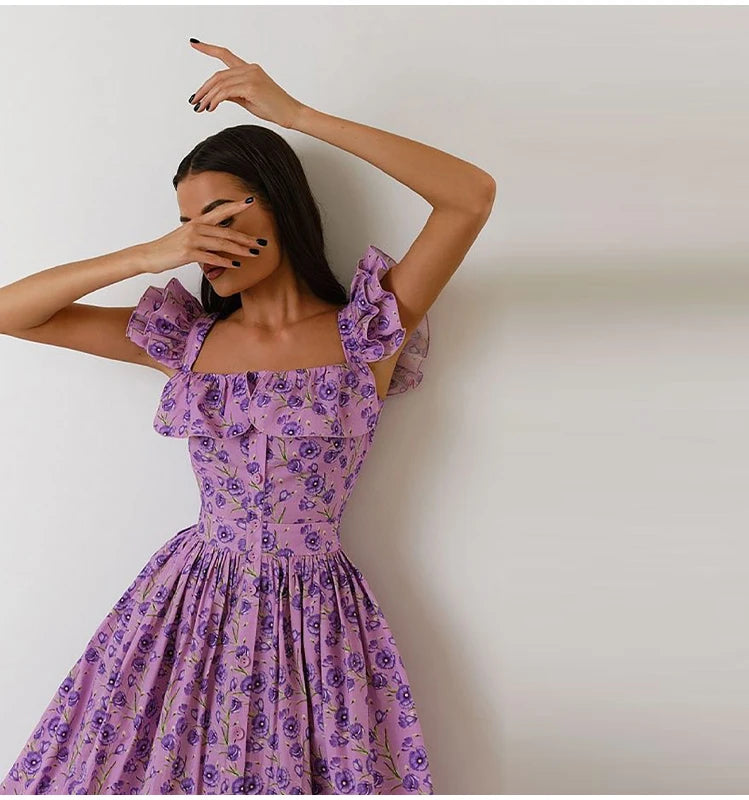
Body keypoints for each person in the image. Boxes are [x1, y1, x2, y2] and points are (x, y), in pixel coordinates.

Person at [0, 39, 495, 795]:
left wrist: (298, 115)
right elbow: (12, 314)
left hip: (315, 616)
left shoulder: (368, 329)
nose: (207, 235)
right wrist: (147, 255)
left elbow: (470, 194)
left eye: (224, 210)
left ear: (279, 202)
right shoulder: (188, 344)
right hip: (186, 606)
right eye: (188, 222)